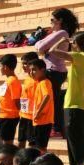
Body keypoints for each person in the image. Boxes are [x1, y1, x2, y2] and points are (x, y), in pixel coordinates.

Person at [35, 8, 80, 137]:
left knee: (51, 100)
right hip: (55, 70)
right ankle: (55, 128)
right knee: (53, 99)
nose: (50, 23)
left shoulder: (62, 33)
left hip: (54, 71)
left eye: (52, 20)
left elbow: (39, 46)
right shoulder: (59, 33)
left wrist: (44, 47)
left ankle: (56, 128)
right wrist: (43, 46)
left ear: (60, 20)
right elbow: (38, 44)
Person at [48, 31, 84, 165]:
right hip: (80, 107)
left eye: (73, 43)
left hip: (73, 107)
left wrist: (62, 41)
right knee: (78, 145)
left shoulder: (79, 56)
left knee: (74, 147)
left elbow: (52, 51)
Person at [0, 54, 23, 145]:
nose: (0, 69)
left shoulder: (13, 81)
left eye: (1, 66)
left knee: (7, 143)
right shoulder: (9, 80)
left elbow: (16, 100)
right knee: (1, 142)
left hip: (10, 117)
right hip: (3, 116)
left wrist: (20, 114)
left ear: (5, 67)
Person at [28, 59, 54, 151]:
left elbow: (46, 96)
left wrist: (38, 112)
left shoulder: (45, 82)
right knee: (36, 147)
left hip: (44, 121)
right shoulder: (39, 83)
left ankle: (43, 164)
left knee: (41, 148)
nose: (31, 72)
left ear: (43, 70)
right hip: (38, 121)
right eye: (30, 70)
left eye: (34, 69)